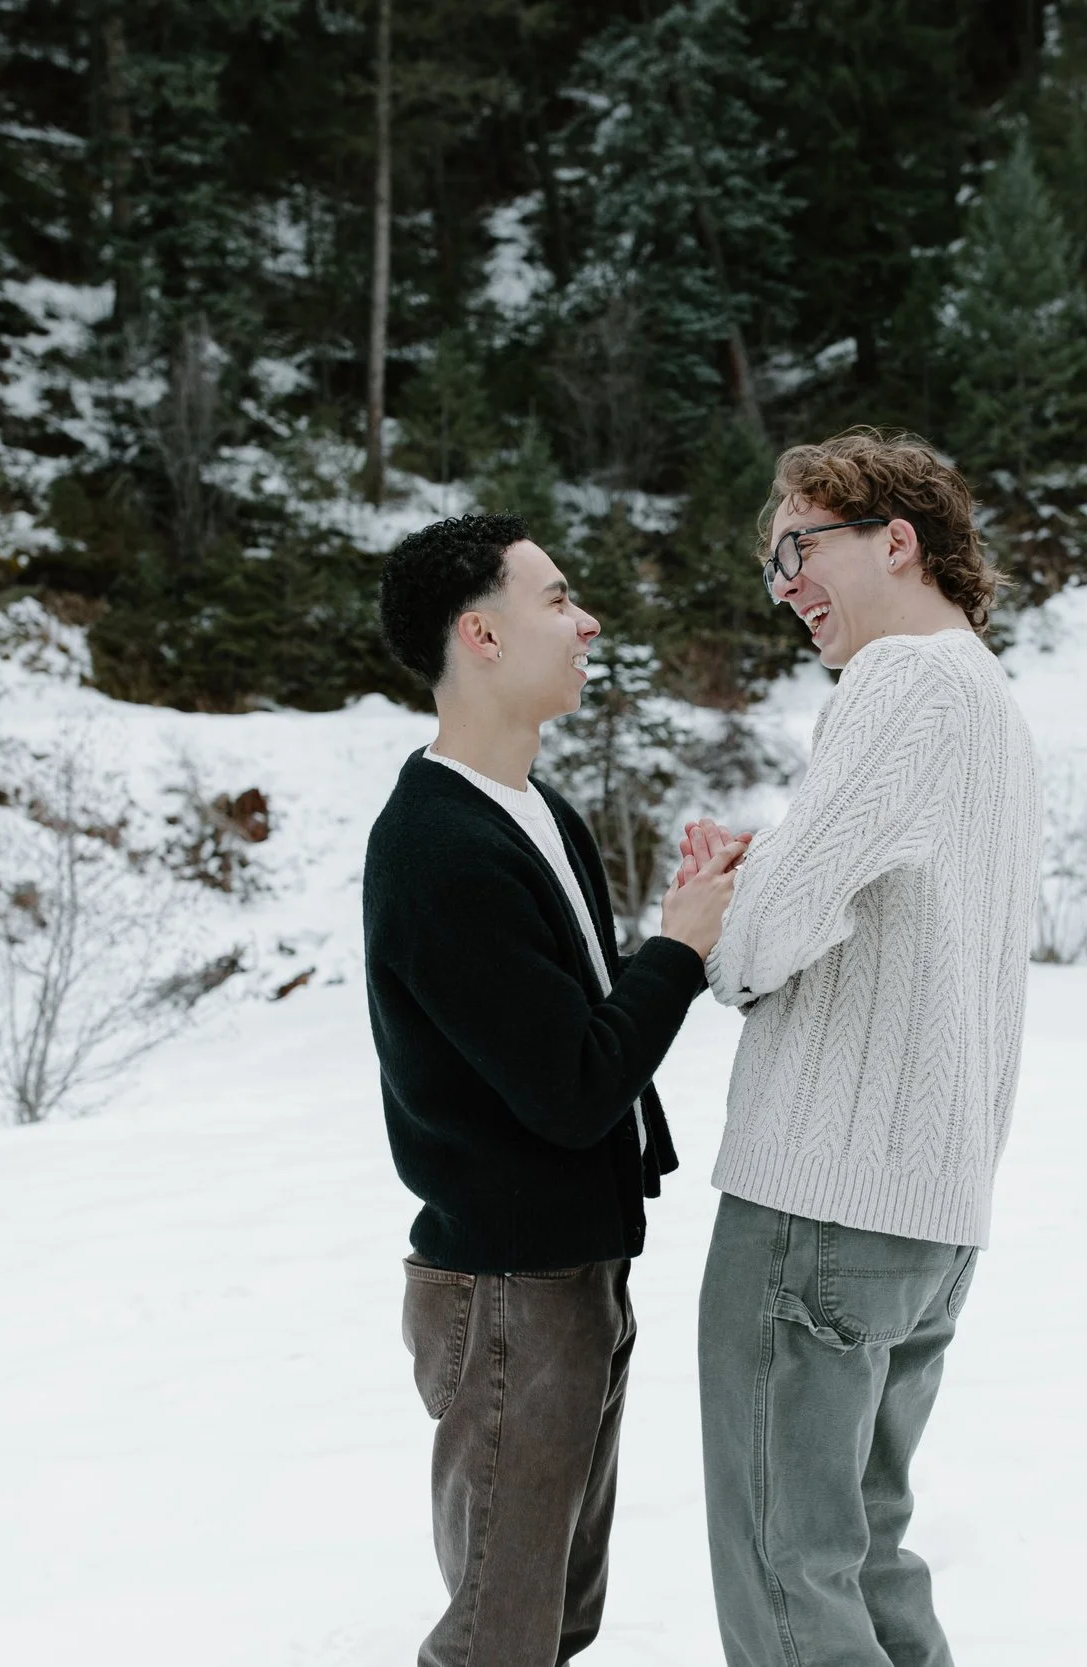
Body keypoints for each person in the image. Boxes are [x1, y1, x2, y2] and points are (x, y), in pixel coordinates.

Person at [676, 431, 1041, 1666]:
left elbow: (762, 940)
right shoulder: (987, 698)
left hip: (817, 1202)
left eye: (799, 546)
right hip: (927, 1207)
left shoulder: (902, 684)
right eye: (772, 563)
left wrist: (726, 908)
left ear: (897, 539)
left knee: (788, 1569)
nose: (782, 583)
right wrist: (775, 876)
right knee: (862, 1548)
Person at [363, 513, 745, 1667]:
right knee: (501, 1634)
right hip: (506, 1292)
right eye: (558, 599)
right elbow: (575, 1087)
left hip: (572, 1266)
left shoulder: (536, 811)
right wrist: (676, 950)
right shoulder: (439, 847)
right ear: (480, 633)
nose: (588, 622)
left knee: (556, 1617)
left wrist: (668, 938)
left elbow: (565, 1031)